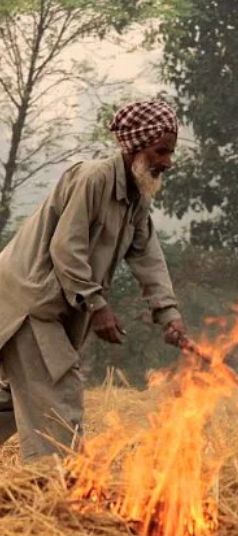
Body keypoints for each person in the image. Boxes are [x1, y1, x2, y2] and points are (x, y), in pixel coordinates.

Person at [0, 100, 187, 460]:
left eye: (170, 152)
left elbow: (147, 256)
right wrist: (97, 305)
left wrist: (169, 314)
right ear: (134, 146)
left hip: (44, 305)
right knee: (57, 393)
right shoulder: (93, 178)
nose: (167, 162)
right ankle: (53, 485)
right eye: (160, 151)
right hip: (30, 302)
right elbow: (66, 248)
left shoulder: (137, 196)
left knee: (15, 398)